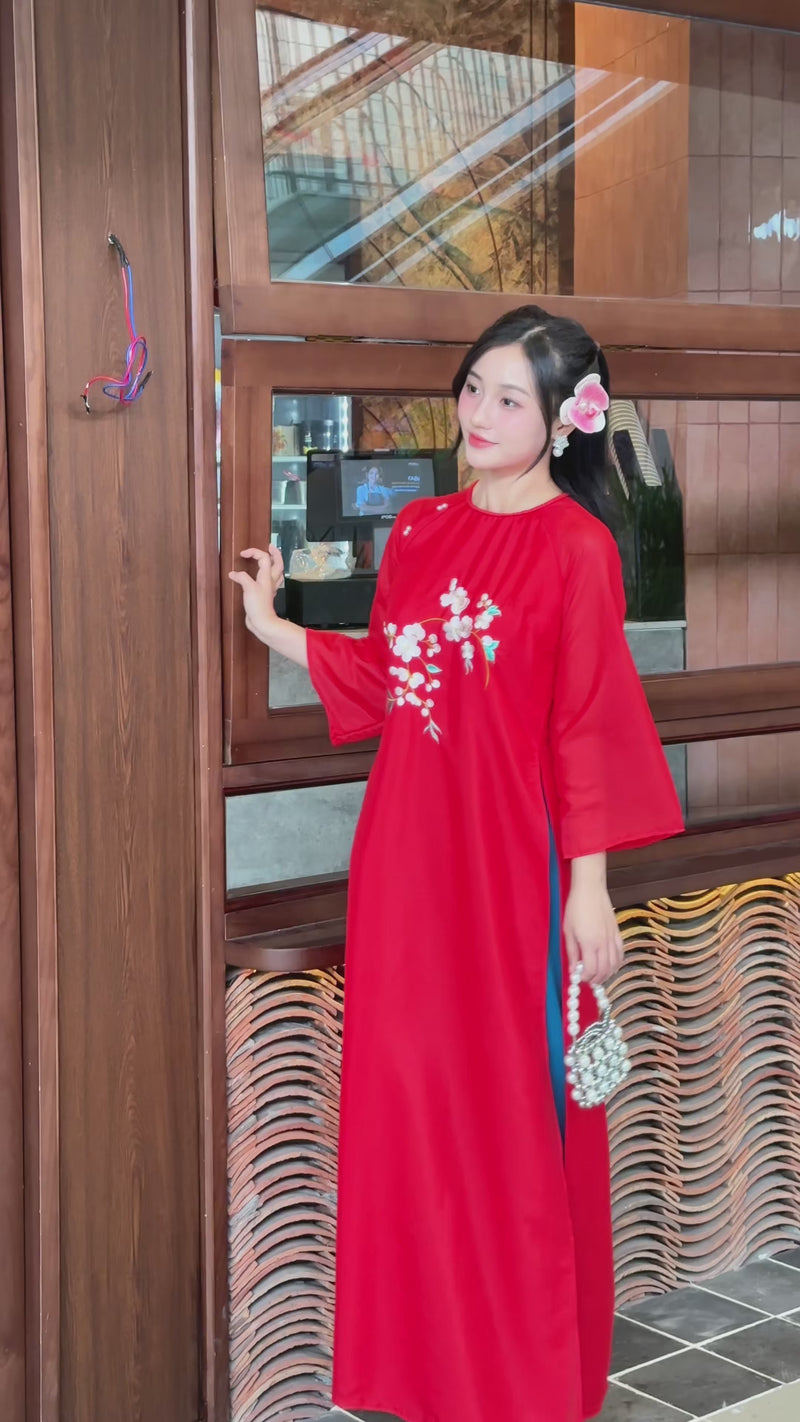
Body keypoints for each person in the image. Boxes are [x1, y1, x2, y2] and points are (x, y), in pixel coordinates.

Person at [229, 305, 684, 1422]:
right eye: (473, 386)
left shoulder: (577, 551)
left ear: (563, 422)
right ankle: (430, 1377)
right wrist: (274, 623)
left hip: (513, 876)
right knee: (415, 1116)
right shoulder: (420, 529)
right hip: (405, 866)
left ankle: (523, 1387)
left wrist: (588, 892)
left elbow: (585, 727)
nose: (478, 412)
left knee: (511, 1124)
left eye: (509, 398)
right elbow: (394, 680)